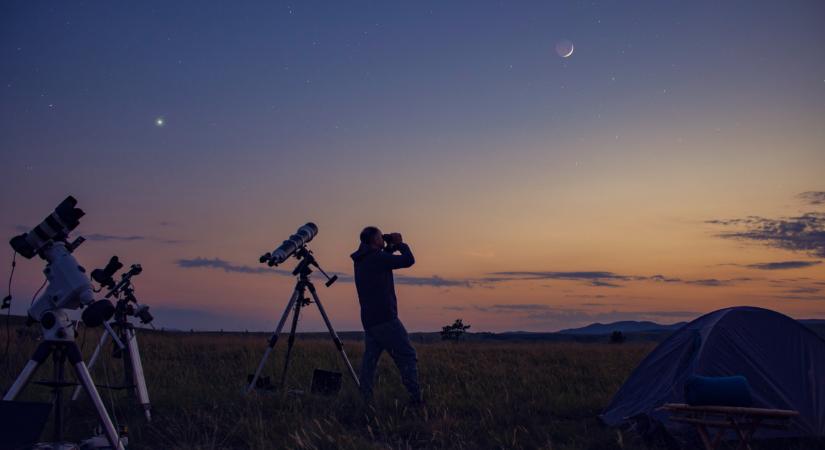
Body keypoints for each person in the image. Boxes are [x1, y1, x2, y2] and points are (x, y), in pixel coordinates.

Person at [350, 226, 422, 405]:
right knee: (407, 354)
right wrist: (400, 244)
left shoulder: (362, 259)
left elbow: (384, 259)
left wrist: (389, 247)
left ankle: (365, 399)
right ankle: (416, 399)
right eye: (381, 237)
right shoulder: (377, 258)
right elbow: (408, 260)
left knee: (370, 361)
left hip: (370, 320)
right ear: (375, 240)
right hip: (385, 318)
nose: (383, 239)